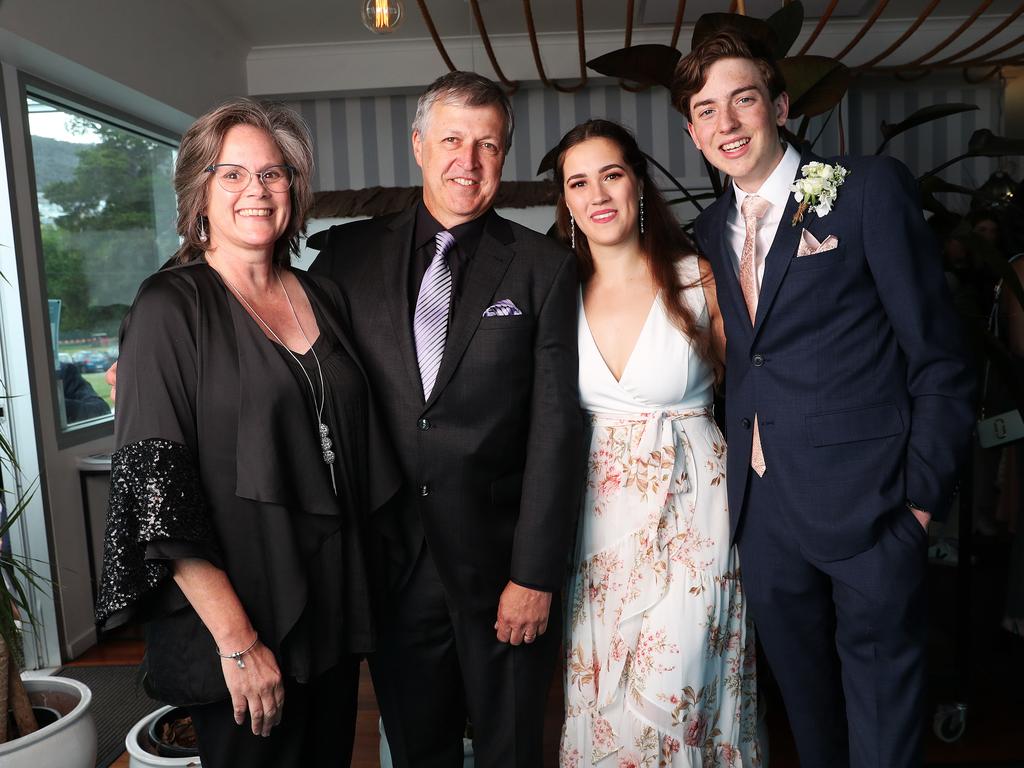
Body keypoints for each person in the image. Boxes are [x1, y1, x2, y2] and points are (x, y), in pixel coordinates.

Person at [672, 30, 975, 768]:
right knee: (809, 722)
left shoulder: (865, 188)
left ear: (778, 105)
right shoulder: (707, 232)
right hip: (765, 514)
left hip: (874, 509)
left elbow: (939, 356)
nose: (728, 124)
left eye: (743, 100)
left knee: (881, 723)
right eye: (707, 110)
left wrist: (919, 504)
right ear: (693, 133)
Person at [95, 98, 397, 767]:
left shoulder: (320, 295)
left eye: (273, 174)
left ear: (295, 187)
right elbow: (159, 497)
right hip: (240, 622)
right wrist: (239, 642)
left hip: (331, 611)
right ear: (199, 192)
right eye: (232, 174)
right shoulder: (169, 308)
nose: (256, 191)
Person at [308, 71, 582, 767]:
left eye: (488, 145)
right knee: (417, 748)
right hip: (392, 563)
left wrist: (536, 575)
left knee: (512, 748)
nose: (469, 161)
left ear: (505, 155)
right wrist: (151, 331)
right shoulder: (345, 256)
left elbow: (557, 430)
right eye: (453, 140)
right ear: (419, 146)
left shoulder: (544, 268)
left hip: (502, 568)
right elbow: (259, 307)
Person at [553, 119, 760, 767]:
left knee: (682, 701)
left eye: (610, 174)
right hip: (599, 529)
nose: (598, 194)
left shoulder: (698, 277)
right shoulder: (558, 293)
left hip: (696, 517)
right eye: (578, 182)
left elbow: (762, 391)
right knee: (610, 711)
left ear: (638, 182)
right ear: (566, 201)